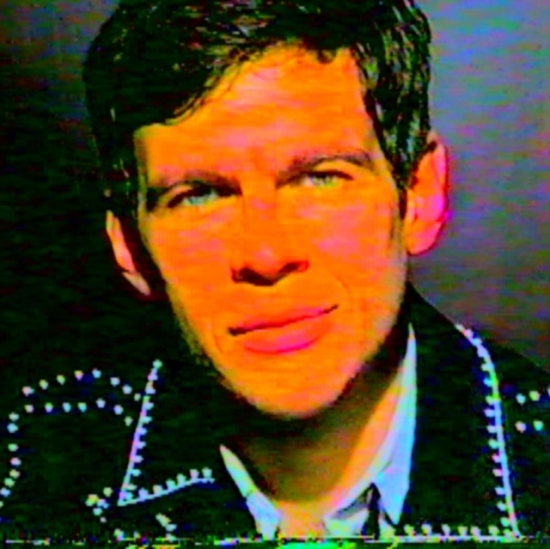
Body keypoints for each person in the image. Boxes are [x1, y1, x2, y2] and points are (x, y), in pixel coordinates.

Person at [1, 0, 548, 543]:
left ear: (421, 197)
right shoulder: (32, 480)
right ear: (128, 246)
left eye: (320, 178)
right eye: (199, 196)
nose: (266, 255)